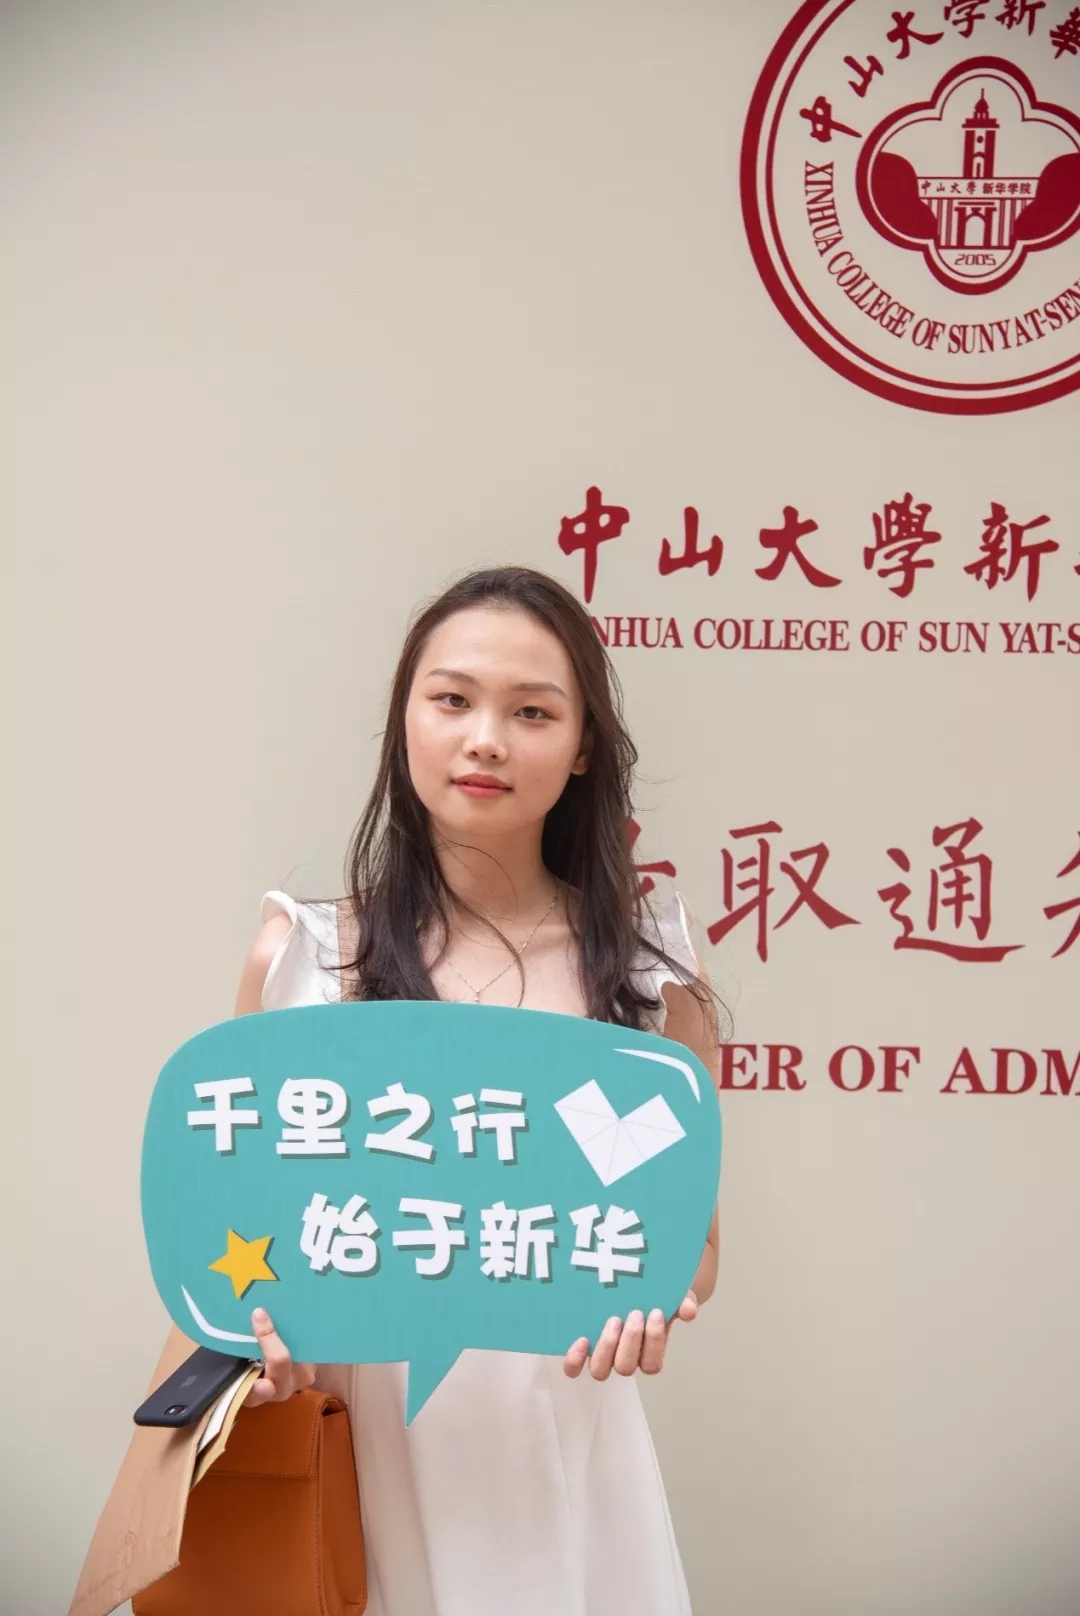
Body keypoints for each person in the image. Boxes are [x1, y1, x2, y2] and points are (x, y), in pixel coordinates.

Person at [231, 565, 721, 1616]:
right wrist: (256, 1343)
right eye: (451, 699)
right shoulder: (307, 959)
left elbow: (690, 1240)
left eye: (532, 711)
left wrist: (653, 1296)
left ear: (583, 745)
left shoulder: (644, 981)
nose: (485, 739)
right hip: (350, 1457)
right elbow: (239, 1230)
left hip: (559, 1452)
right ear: (404, 717)